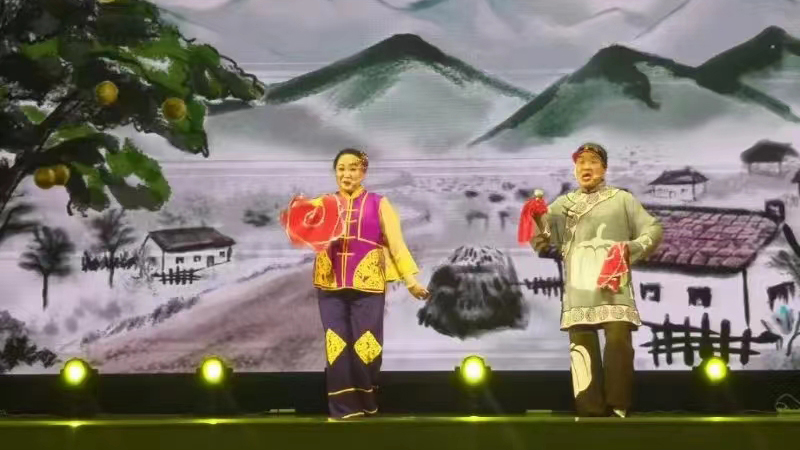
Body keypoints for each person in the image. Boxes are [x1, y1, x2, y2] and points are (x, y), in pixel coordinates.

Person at [529, 143, 663, 418]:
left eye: (592, 161)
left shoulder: (621, 199)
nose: (586, 167)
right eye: (580, 162)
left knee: (618, 344)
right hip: (579, 286)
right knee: (581, 347)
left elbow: (653, 228)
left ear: (604, 168)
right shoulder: (565, 204)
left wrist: (630, 248)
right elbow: (543, 230)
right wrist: (537, 221)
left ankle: (618, 404)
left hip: (613, 284)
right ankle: (589, 409)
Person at [302, 148, 429, 419]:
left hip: (368, 283)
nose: (346, 174)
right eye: (341, 169)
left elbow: (396, 245)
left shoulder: (379, 204)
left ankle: (367, 400)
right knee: (336, 345)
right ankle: (343, 408)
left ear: (363, 172)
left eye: (353, 168)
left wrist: (411, 282)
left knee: (366, 346)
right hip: (330, 284)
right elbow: (301, 225)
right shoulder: (324, 203)